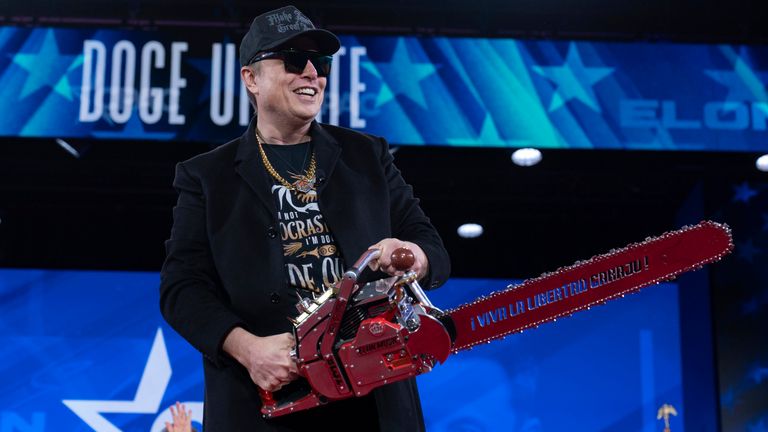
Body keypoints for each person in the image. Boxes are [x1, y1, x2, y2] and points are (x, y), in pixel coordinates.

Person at [159, 5, 450, 431]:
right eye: (294, 60)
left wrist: (412, 255)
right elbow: (181, 288)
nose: (312, 72)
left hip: (374, 402)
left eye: (322, 62)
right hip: (266, 403)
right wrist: (248, 348)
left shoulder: (368, 155)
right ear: (251, 78)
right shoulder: (206, 177)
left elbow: (430, 247)